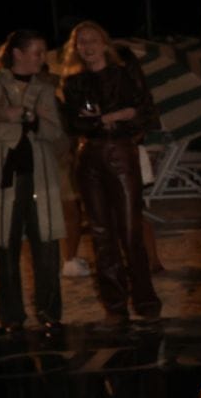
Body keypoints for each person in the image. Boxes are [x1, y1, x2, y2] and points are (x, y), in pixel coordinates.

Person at [57, 21, 162, 324]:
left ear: (104, 43)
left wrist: (112, 116)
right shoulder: (74, 82)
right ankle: (114, 305)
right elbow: (76, 124)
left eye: (92, 40)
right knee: (101, 233)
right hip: (88, 156)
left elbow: (145, 111)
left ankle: (145, 300)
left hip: (120, 152)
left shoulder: (125, 72)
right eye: (80, 43)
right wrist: (113, 116)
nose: (86, 47)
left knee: (130, 231)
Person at [0, 30, 68, 332]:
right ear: (18, 54)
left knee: (47, 245)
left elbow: (54, 131)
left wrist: (22, 116)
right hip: (5, 177)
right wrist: (30, 118)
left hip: (41, 176)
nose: (42, 58)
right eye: (37, 52)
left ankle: (51, 312)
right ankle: (12, 316)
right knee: (7, 248)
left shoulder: (46, 87)